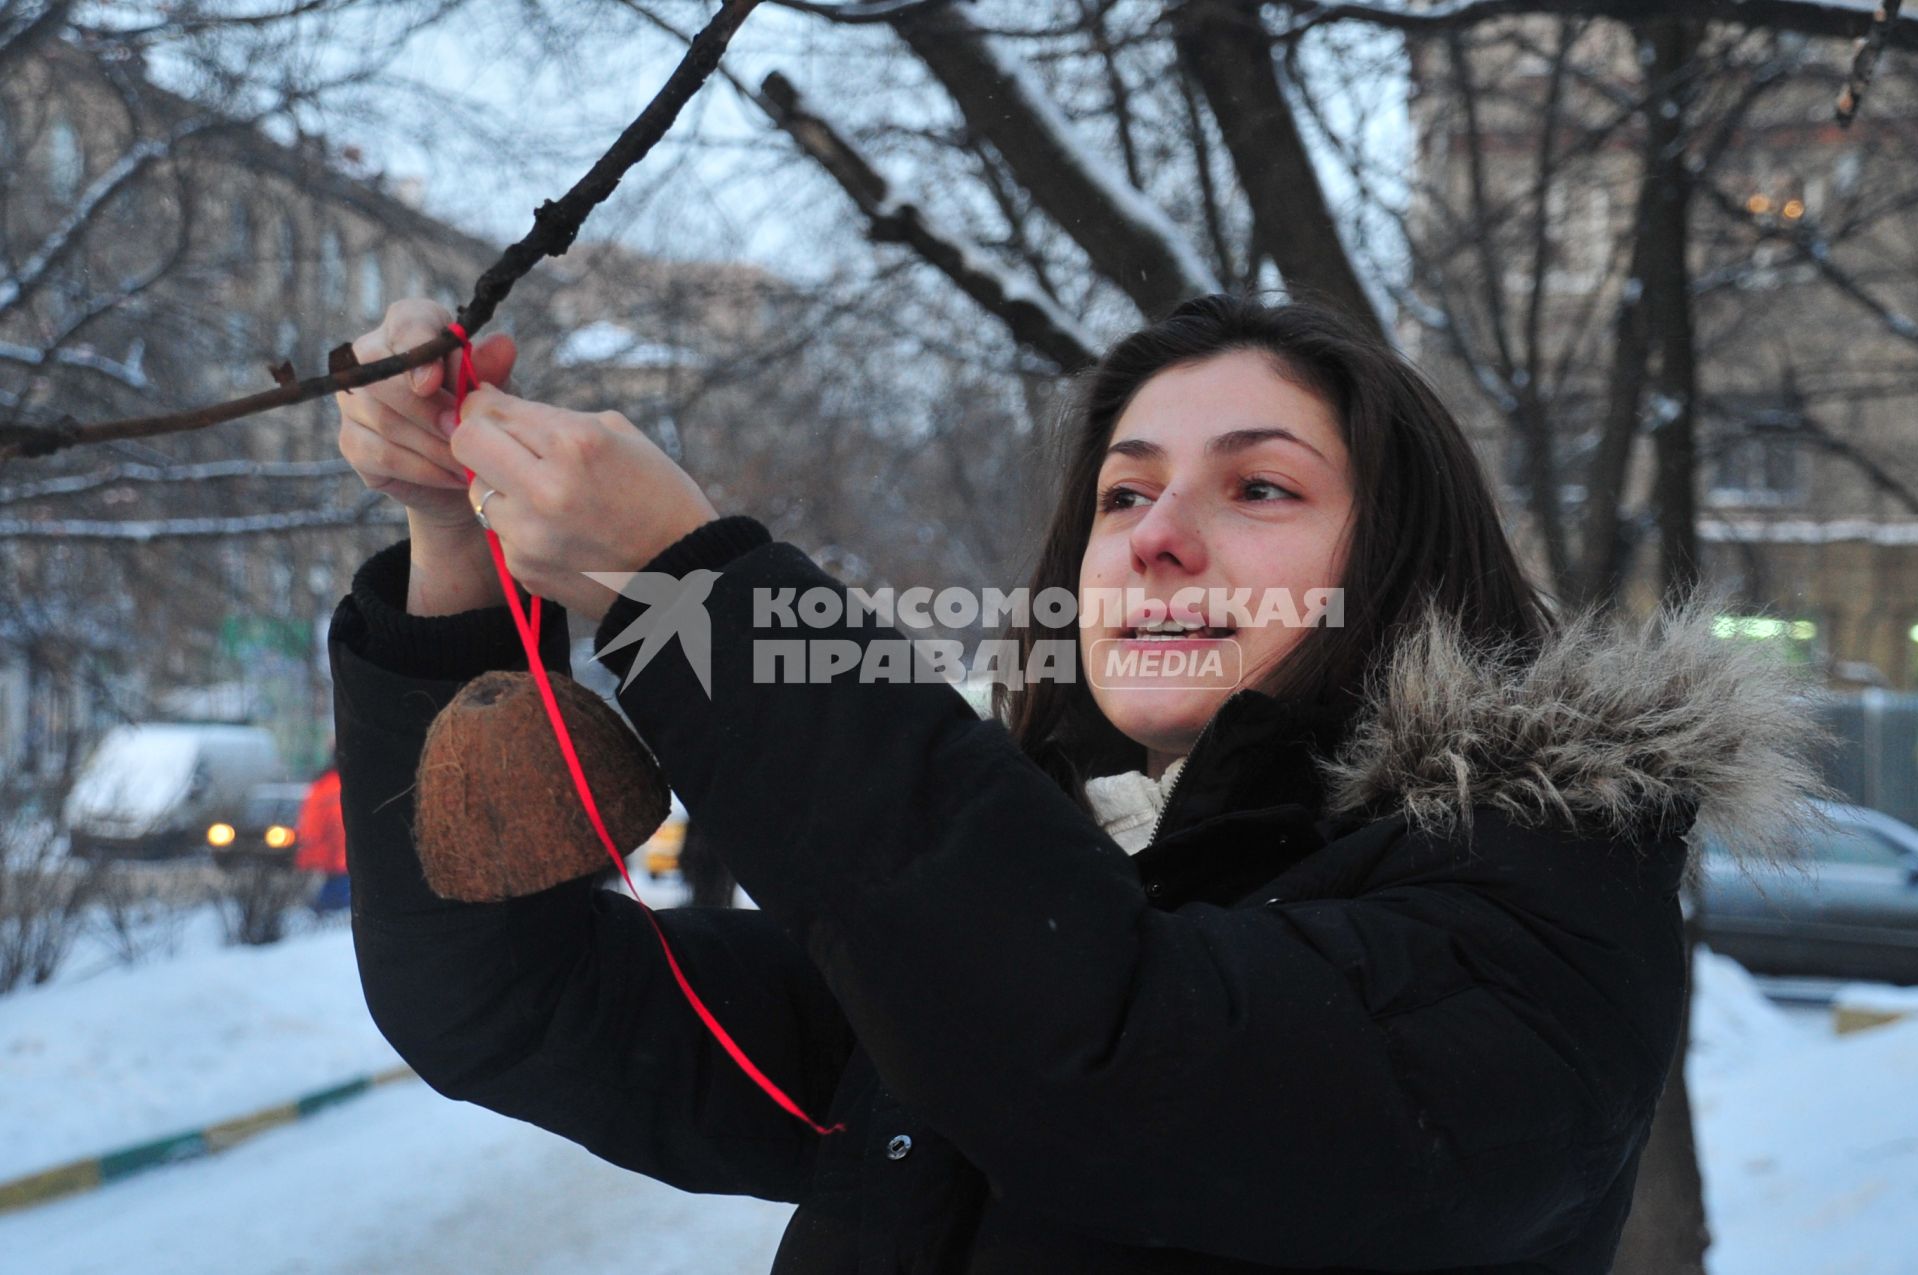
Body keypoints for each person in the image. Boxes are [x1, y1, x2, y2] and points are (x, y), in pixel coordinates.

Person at [328, 293, 1826, 1273]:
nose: (1156, 535)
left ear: (1399, 575)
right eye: (1123, 491)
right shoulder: (1037, 889)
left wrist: (685, 588)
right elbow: (515, 1005)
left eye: (1259, 486)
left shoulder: (1540, 898)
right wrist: (450, 556)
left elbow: (1115, 1046)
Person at [293, 750, 349, 914]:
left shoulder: (320, 786)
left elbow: (310, 826)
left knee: (324, 907)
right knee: (337, 911)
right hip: (340, 862)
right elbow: (342, 828)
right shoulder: (343, 787)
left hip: (319, 858)